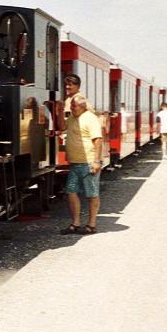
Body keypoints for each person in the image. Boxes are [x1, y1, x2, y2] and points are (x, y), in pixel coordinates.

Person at [56, 94, 102, 235]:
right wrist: (59, 112)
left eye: (73, 106)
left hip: (88, 163)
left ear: (82, 106)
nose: (71, 108)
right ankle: (75, 223)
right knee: (71, 192)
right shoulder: (73, 117)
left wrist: (96, 161)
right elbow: (63, 127)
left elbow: (98, 140)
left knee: (91, 194)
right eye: (71, 106)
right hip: (75, 163)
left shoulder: (90, 118)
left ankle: (91, 225)